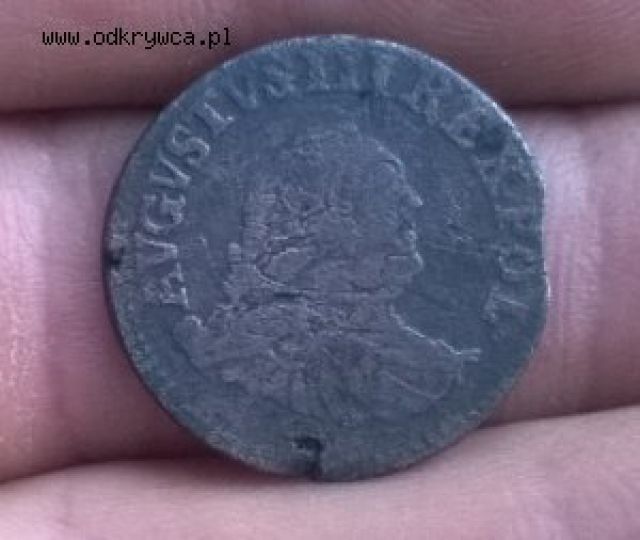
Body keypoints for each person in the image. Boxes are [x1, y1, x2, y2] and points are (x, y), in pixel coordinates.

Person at [1, 2, 639, 537]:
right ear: (324, 223)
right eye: (388, 195)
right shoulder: (244, 363)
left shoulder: (430, 367)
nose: (415, 206)